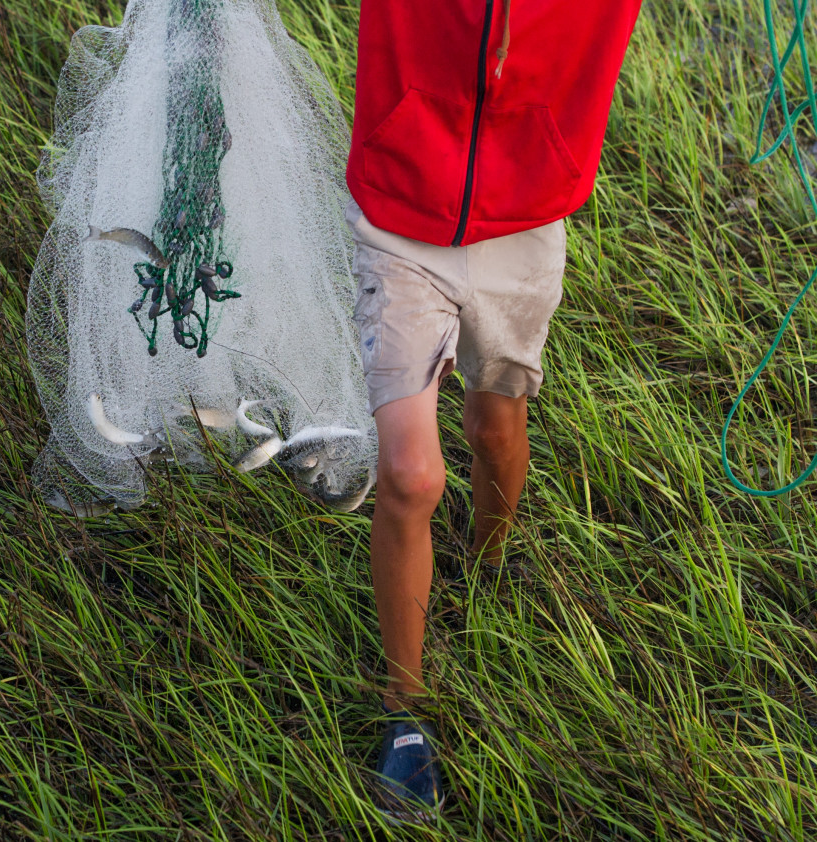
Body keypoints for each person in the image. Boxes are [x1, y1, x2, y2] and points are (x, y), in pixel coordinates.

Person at [344, 0, 643, 821]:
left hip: (526, 217)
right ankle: (404, 715)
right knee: (410, 474)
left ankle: (487, 565)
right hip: (400, 215)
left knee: (494, 428)